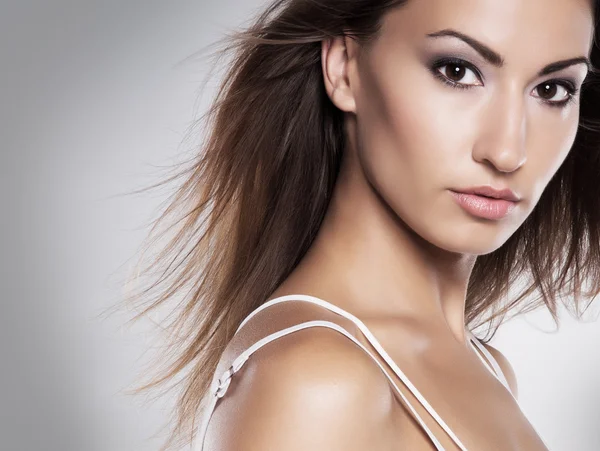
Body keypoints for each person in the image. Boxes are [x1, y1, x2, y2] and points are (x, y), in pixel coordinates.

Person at [123, 0, 600, 449]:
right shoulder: (316, 382)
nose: (507, 151)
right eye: (457, 71)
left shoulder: (486, 367)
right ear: (345, 67)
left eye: (552, 89)